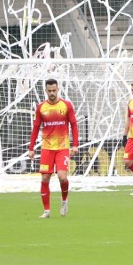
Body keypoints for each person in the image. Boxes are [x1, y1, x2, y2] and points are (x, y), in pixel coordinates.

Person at [27, 79, 79, 218]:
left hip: (62, 147)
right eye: (49, 91)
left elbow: (74, 125)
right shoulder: (41, 108)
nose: (52, 93)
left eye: (54, 90)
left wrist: (75, 145)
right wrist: (31, 147)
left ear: (58, 89)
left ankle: (64, 201)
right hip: (47, 148)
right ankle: (47, 211)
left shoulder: (66, 105)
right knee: (45, 178)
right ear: (46, 91)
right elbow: (36, 128)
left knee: (62, 177)